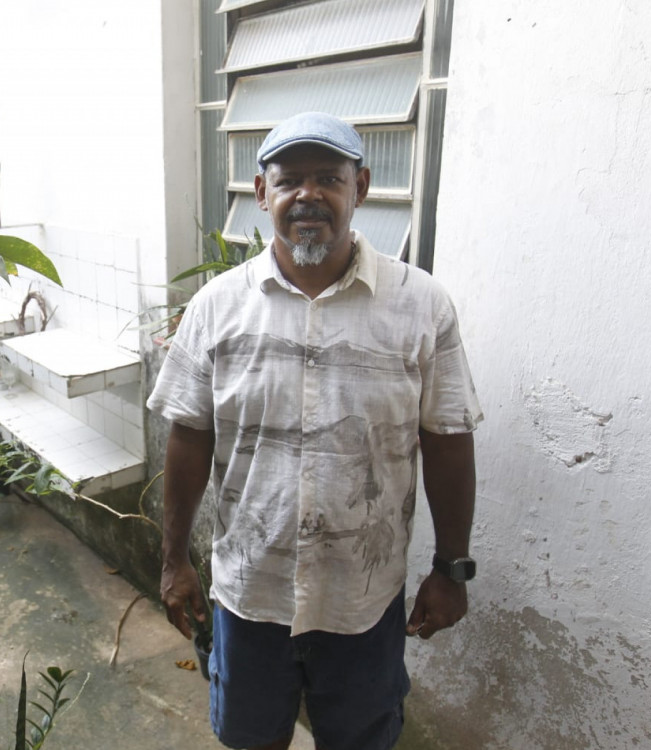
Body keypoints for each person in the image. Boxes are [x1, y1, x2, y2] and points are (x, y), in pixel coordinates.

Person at [146, 111, 483, 750]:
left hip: (363, 601)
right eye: (289, 180)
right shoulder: (217, 306)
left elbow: (447, 439)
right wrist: (173, 560)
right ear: (261, 192)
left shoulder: (421, 306)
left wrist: (451, 568)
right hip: (250, 597)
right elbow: (189, 436)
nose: (309, 195)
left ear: (361, 188)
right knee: (253, 740)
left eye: (328, 177)